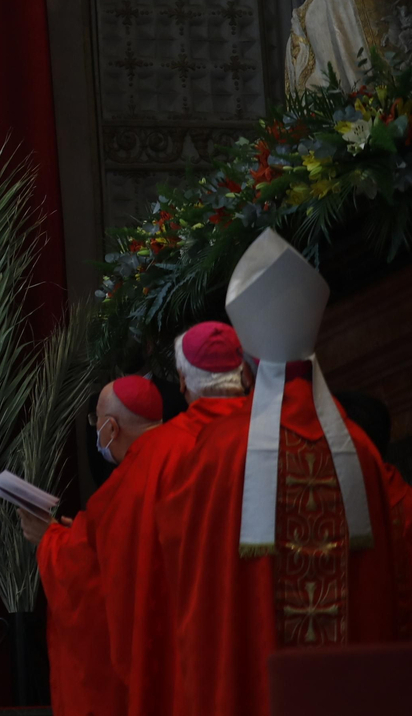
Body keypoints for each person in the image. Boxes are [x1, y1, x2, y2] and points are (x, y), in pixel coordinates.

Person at [150, 230, 412, 716]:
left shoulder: (217, 454)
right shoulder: (359, 451)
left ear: (249, 369)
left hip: (255, 690)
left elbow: (185, 567)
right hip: (349, 692)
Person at [22, 375, 163, 716]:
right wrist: (78, 534)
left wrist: (49, 538)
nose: (95, 428)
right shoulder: (173, 451)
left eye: (95, 420)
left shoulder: (124, 486)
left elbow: (90, 578)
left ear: (111, 427)